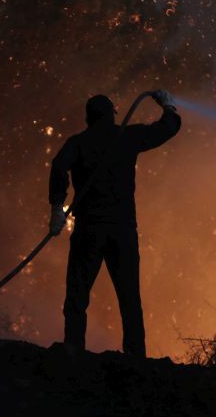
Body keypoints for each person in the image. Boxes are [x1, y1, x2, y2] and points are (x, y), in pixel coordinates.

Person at [48, 90, 181, 358]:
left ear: (88, 118)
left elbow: (59, 166)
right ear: (111, 116)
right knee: (130, 298)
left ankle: (73, 353)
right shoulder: (127, 137)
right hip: (122, 231)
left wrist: (56, 209)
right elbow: (167, 128)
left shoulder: (78, 143)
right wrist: (167, 105)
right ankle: (136, 360)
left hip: (89, 230)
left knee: (76, 298)